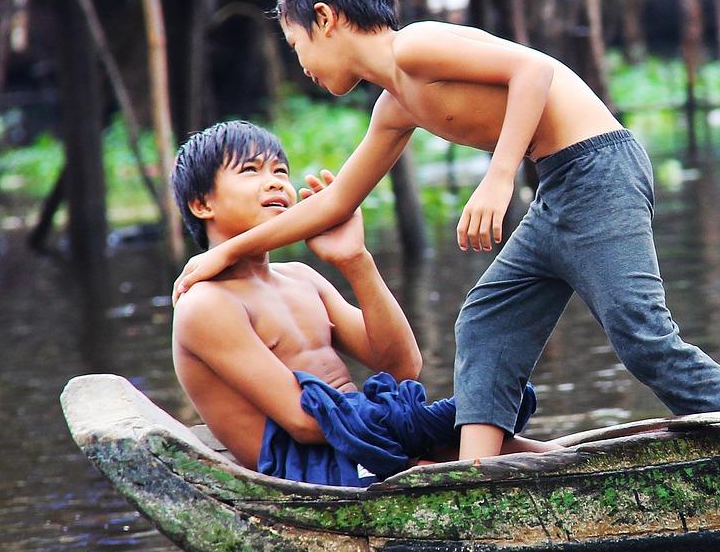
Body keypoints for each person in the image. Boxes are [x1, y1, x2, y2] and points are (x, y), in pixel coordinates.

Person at [172, 0, 720, 462]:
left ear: (324, 19)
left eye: (296, 43)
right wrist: (225, 253)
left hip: (598, 168)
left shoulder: (415, 48)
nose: (300, 64)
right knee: (485, 320)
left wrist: (500, 178)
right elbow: (332, 204)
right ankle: (479, 475)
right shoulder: (393, 106)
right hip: (558, 185)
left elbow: (533, 71)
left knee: (640, 334)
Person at [168, 119, 553, 486]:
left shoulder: (301, 279)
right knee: (494, 454)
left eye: (281, 171)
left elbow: (403, 365)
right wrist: (407, 425)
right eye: (251, 171)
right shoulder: (206, 303)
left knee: (529, 454)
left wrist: (355, 260)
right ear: (203, 204)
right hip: (312, 465)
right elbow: (303, 424)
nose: (275, 183)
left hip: (362, 437)